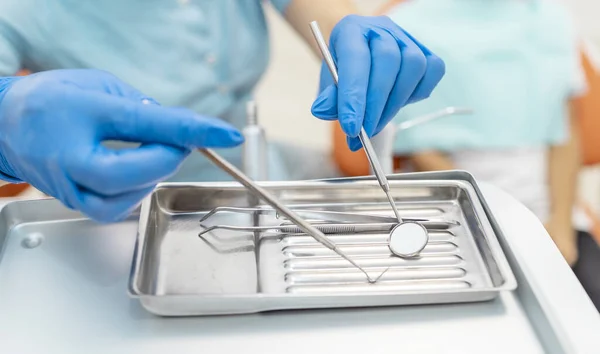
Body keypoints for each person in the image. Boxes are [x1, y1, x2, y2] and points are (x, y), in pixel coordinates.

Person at [0, 1, 445, 223]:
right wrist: (7, 125)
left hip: (261, 177)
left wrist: (363, 42)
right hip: (116, 208)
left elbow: (329, 19)